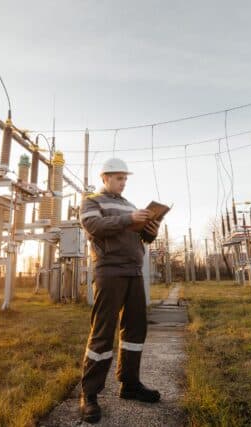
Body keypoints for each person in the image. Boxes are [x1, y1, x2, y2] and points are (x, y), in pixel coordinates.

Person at [78, 158, 161, 423]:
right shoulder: (92, 201)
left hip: (134, 271)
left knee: (135, 330)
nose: (122, 182)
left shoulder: (131, 206)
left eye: (125, 178)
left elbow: (142, 239)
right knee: (103, 331)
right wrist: (128, 219)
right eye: (117, 178)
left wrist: (151, 229)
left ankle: (130, 384)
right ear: (104, 178)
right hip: (109, 269)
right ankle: (89, 395)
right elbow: (94, 227)